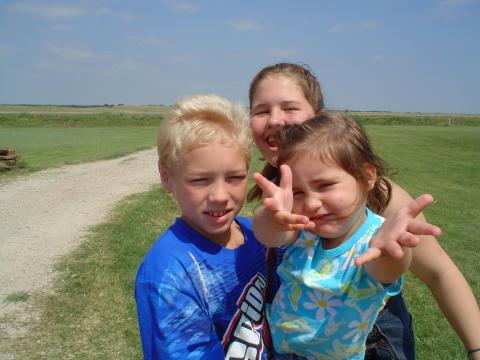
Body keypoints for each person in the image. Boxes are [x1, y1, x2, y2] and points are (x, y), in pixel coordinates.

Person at [247, 62, 480, 359]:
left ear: (319, 118)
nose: (275, 120)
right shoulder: (281, 190)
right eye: (261, 110)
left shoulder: (377, 193)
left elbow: (437, 272)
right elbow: (270, 233)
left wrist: (476, 346)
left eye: (289, 108)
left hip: (368, 340)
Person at [253, 112, 440, 359]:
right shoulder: (303, 228)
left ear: (367, 176)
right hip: (286, 352)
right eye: (297, 192)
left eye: (325, 185)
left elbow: (385, 270)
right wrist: (273, 218)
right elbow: (268, 235)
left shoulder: (374, 238)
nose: (310, 203)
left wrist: (390, 249)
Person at [135, 94, 271, 359]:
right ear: (167, 178)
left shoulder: (259, 236)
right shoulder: (169, 275)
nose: (220, 195)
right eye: (200, 180)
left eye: (234, 177)